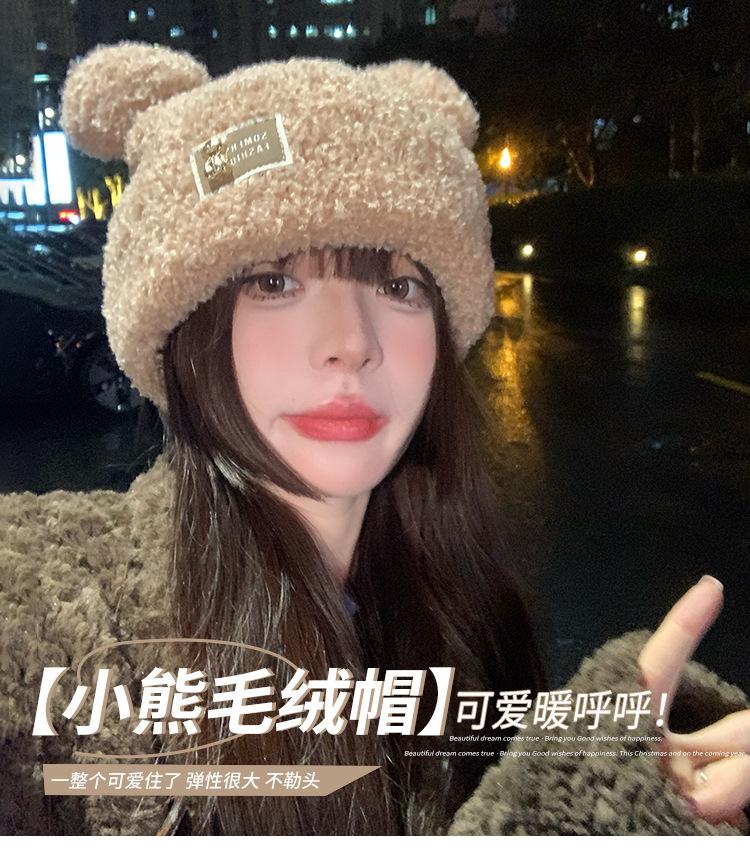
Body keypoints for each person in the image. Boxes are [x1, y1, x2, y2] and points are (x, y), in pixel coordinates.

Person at [0, 43, 747, 837]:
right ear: (186, 332)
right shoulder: (48, 608)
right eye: (274, 282)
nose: (351, 343)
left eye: (397, 285)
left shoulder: (473, 615)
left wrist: (651, 793)